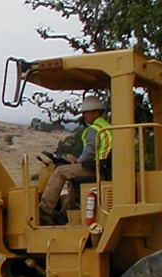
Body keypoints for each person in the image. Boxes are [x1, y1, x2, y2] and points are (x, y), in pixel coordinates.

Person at [39, 95, 112, 225]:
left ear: (96, 112)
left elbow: (90, 151)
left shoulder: (94, 129)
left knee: (60, 172)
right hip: (104, 167)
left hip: (95, 168)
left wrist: (77, 161)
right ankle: (64, 214)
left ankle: (45, 210)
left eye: (86, 112)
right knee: (73, 180)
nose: (84, 116)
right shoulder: (107, 126)